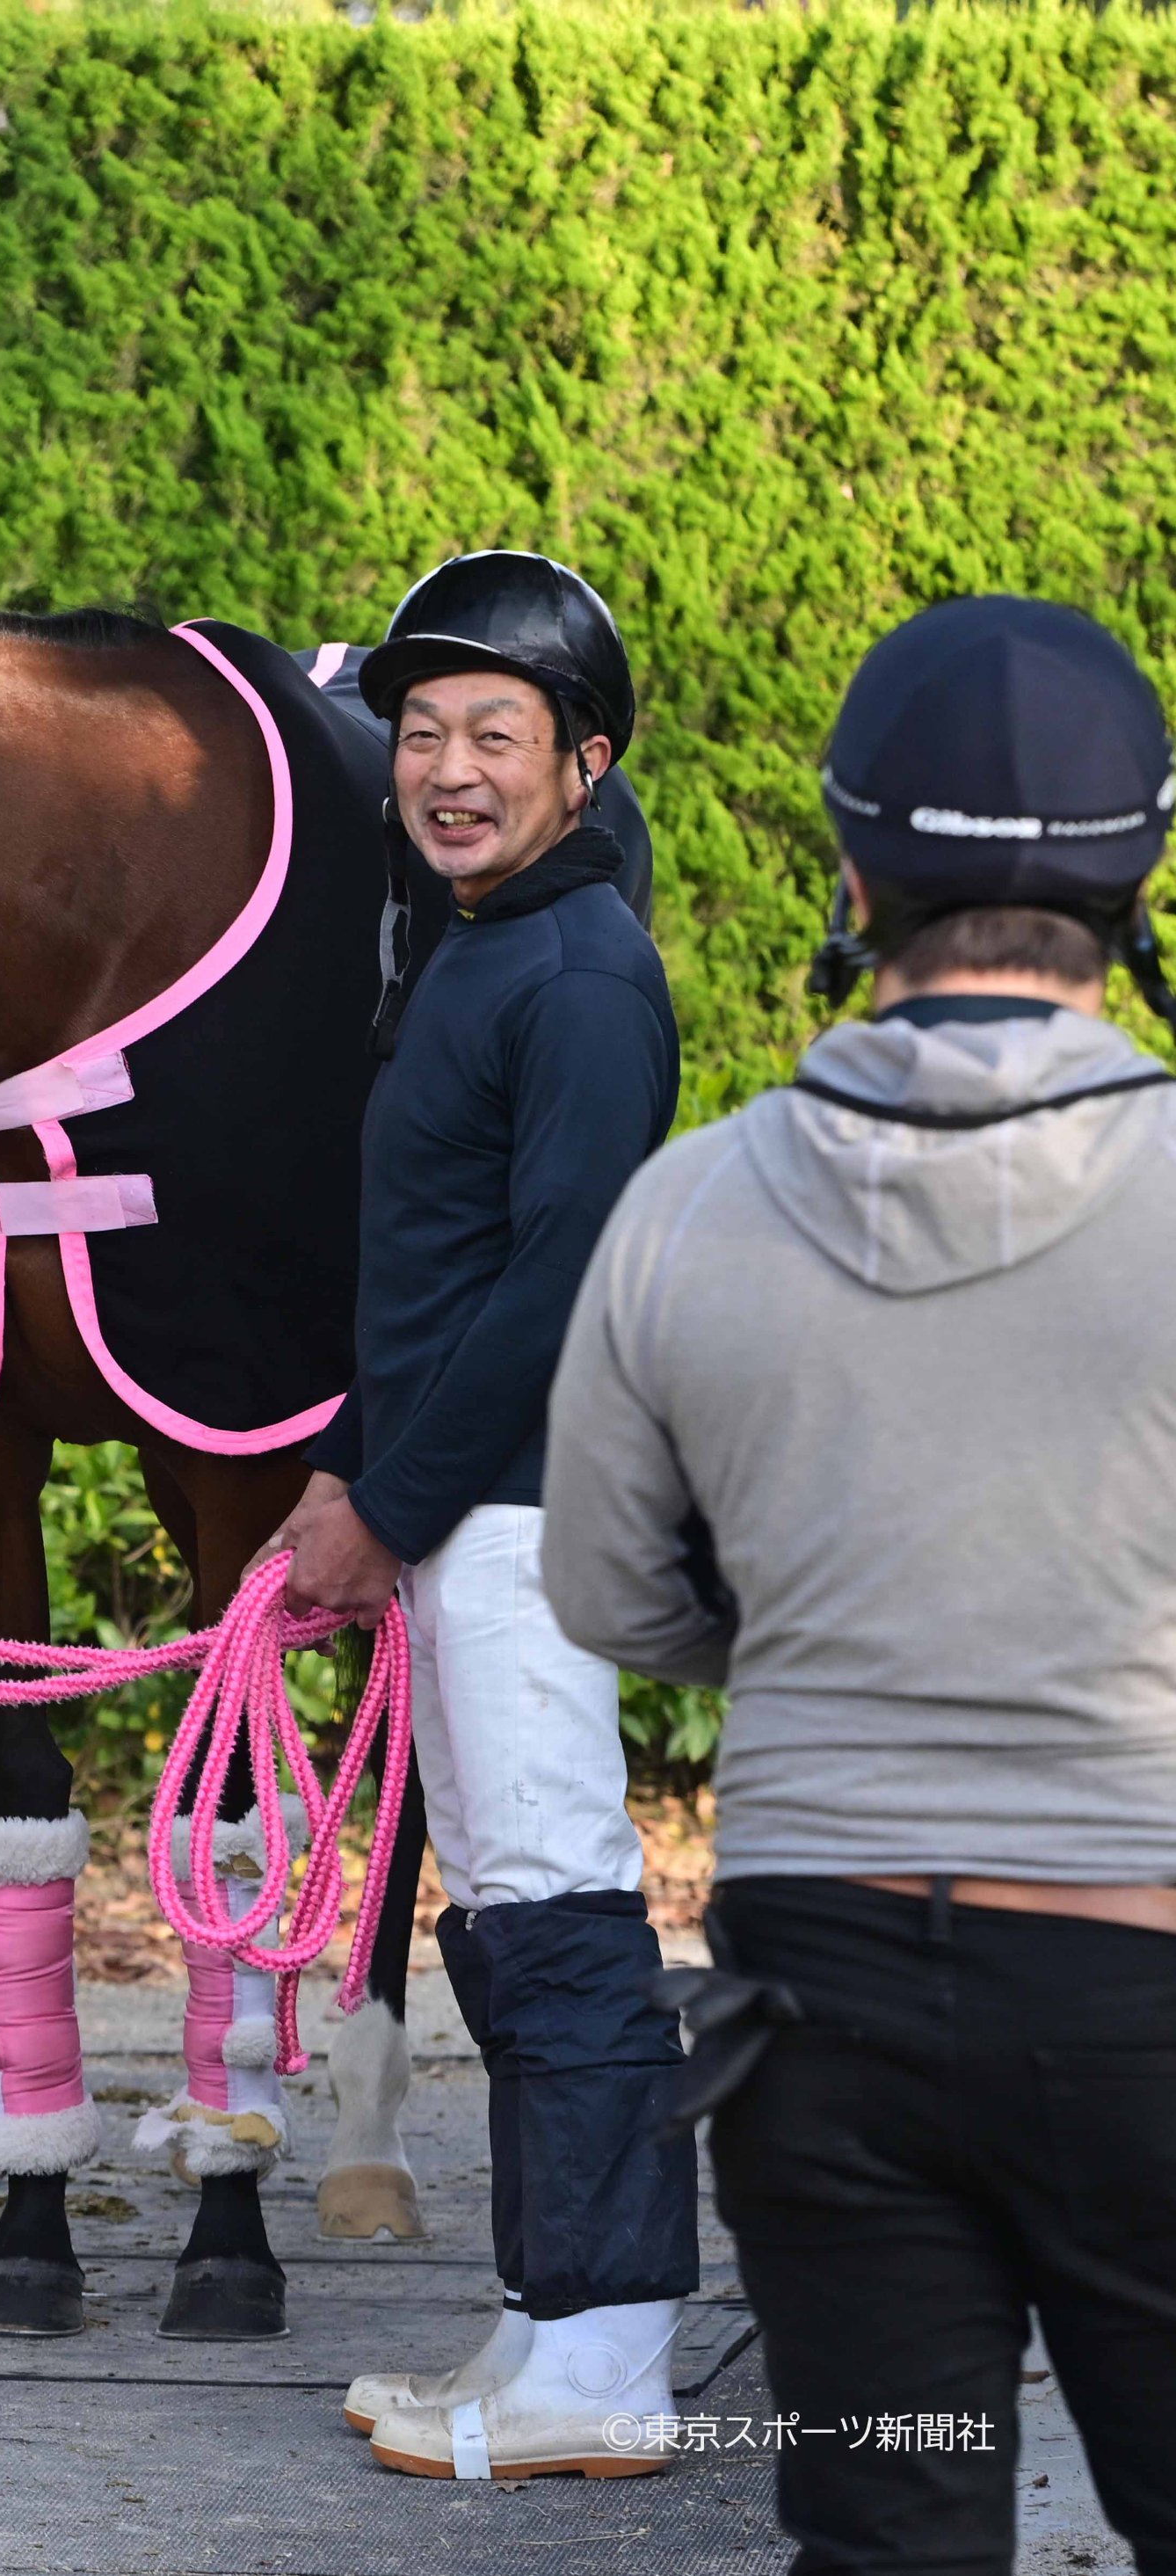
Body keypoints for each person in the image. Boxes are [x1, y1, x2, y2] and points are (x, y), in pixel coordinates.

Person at [544, 595, 1176, 2573]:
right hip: (1143, 2002)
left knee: (883, 2520)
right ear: (1137, 875)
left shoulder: (684, 1206)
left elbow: (608, 1594)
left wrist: (828, 1607)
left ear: (846, 872)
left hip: (818, 2034)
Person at [258, 550, 700, 2479]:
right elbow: (427, 1272)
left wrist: (392, 1501)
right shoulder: (473, 940)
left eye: (491, 736)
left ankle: (605, 2370)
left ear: (579, 764)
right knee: (506, 1920)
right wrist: (348, 1469)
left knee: (559, 1917)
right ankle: (548, 2327)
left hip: (523, 1514)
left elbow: (554, 1286)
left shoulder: (581, 972)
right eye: (419, 732)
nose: (444, 766)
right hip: (455, 1504)